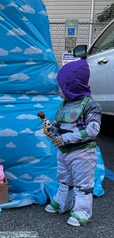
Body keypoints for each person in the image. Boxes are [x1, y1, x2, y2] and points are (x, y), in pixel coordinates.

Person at [44, 59, 102, 227]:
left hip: (82, 153)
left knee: (83, 184)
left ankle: (82, 211)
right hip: (64, 152)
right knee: (64, 179)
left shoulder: (89, 105)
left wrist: (65, 138)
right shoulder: (65, 104)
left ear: (71, 85)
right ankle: (63, 203)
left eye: (61, 85)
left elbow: (92, 130)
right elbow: (59, 126)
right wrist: (51, 129)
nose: (59, 89)